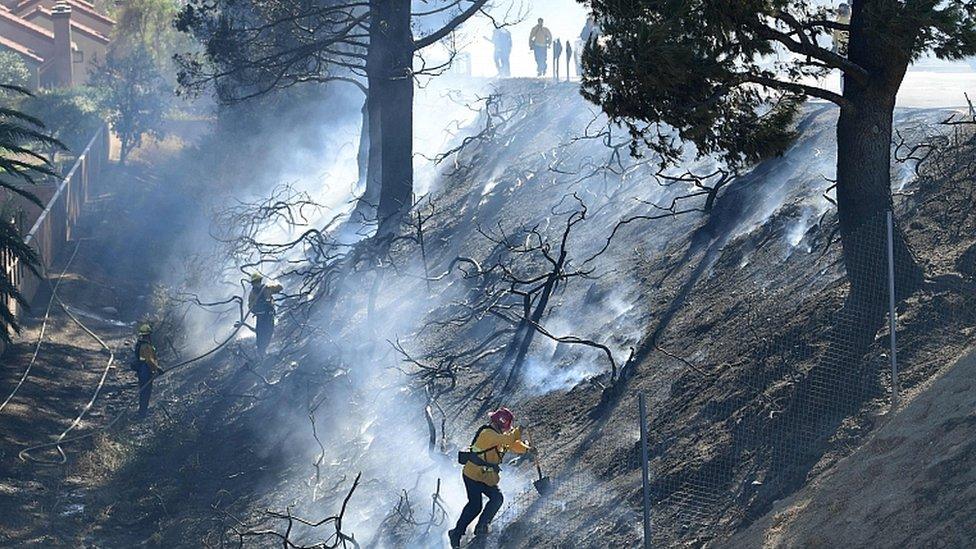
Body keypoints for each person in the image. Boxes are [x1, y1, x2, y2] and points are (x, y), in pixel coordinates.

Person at [448, 407, 533, 548]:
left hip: (487, 477)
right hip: (473, 475)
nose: (507, 429)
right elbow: (508, 439)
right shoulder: (487, 434)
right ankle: (456, 533)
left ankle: (481, 527)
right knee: (475, 506)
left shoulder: (500, 435)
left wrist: (527, 449)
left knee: (497, 498)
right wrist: (521, 428)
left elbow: (512, 443)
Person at [131, 323, 162, 418]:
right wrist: (158, 368)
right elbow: (149, 360)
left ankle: (142, 412)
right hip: (145, 371)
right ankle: (142, 413)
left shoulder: (140, 344)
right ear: (148, 335)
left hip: (142, 371)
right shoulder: (146, 346)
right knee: (146, 392)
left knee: (143, 391)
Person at [247, 272, 283, 355]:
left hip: (269, 316)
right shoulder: (252, 294)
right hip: (261, 317)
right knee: (260, 334)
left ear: (260, 281)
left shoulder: (267, 288)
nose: (257, 284)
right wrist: (256, 309)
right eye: (255, 282)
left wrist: (272, 284)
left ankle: (264, 351)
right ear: (253, 284)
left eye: (258, 281)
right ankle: (260, 352)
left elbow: (280, 288)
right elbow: (250, 306)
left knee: (269, 332)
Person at [832, 3, 851, 93]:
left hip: (843, 53)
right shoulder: (850, 21)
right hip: (845, 53)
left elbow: (835, 42)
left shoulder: (838, 23)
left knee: (844, 75)